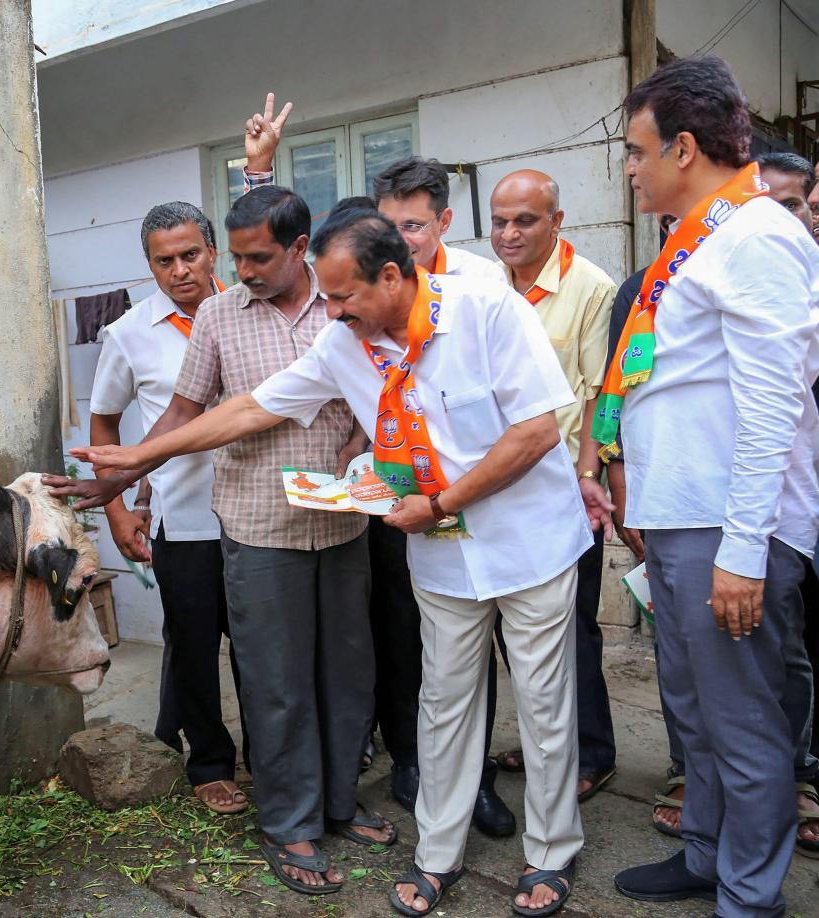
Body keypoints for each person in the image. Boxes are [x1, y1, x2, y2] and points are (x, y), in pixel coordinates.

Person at [69, 208, 614, 916]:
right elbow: (250, 410)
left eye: (343, 297)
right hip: (443, 556)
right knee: (444, 704)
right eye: (325, 298)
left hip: (527, 545)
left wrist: (443, 501)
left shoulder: (486, 309)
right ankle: (438, 854)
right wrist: (139, 457)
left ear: (392, 276)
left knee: (543, 706)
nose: (330, 312)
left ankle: (550, 853)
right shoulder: (343, 342)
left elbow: (537, 430)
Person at [47, 184, 393, 897]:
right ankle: (291, 819)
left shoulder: (343, 306)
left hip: (344, 520)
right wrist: (120, 479)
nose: (244, 271)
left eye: (258, 256)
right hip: (259, 525)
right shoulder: (220, 317)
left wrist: (361, 450)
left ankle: (337, 798)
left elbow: (379, 397)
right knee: (276, 681)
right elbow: (183, 409)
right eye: (235, 258)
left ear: (301, 249)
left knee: (346, 672)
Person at [243, 96, 516, 835]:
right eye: (390, 229)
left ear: (440, 226)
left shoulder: (482, 293)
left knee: (461, 650)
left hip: (470, 503)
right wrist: (258, 170)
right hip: (381, 502)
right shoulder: (350, 309)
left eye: (414, 227)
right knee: (395, 638)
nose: (402, 241)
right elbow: (273, 258)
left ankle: (469, 778)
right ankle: (406, 763)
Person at [608, 57, 818, 916]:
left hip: (729, 531)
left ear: (685, 147)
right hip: (679, 520)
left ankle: (748, 895)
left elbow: (775, 406)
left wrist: (742, 551)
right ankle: (705, 855)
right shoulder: (698, 238)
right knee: (696, 718)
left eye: (636, 149)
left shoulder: (761, 236)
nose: (629, 167)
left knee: (742, 725)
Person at [85, 201, 248, 815]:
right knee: (194, 647)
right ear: (149, 266)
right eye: (164, 260)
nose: (180, 270)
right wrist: (117, 511)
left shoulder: (249, 312)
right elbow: (104, 421)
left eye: (190, 255)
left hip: (261, 516)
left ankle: (273, 756)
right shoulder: (129, 334)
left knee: (263, 650)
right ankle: (208, 762)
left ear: (213, 252)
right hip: (186, 521)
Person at [487, 169, 619, 803]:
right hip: (496, 490)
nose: (509, 234)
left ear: (557, 221)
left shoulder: (591, 288)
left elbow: (601, 396)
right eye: (501, 221)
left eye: (526, 221)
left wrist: (591, 476)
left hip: (566, 492)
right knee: (523, 634)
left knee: (573, 630)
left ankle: (591, 752)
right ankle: (549, 743)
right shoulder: (483, 288)